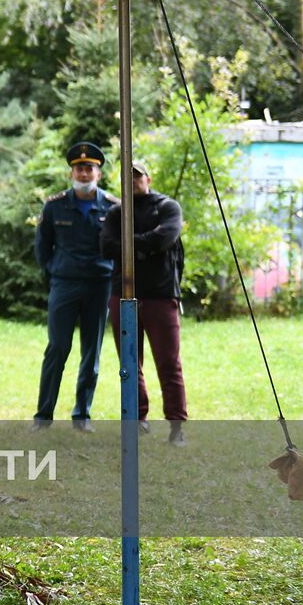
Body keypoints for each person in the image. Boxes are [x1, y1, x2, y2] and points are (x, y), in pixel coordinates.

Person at [99, 160, 188, 446]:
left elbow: (164, 239)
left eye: (137, 176)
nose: (133, 181)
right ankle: (136, 418)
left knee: (168, 362)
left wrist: (130, 245)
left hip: (161, 295)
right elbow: (107, 247)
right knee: (129, 363)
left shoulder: (168, 207)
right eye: (128, 177)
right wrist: (144, 247)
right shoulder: (116, 213)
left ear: (147, 178)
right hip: (122, 293)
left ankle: (177, 426)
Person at [32, 141, 118, 432]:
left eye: (90, 168)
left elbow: (120, 248)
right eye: (79, 168)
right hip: (65, 285)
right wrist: (55, 274)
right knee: (57, 347)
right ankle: (43, 416)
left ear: (99, 174)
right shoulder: (55, 206)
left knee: (91, 352)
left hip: (99, 286)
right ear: (72, 173)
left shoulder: (114, 207)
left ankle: (82, 415)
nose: (84, 173)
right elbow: (42, 247)